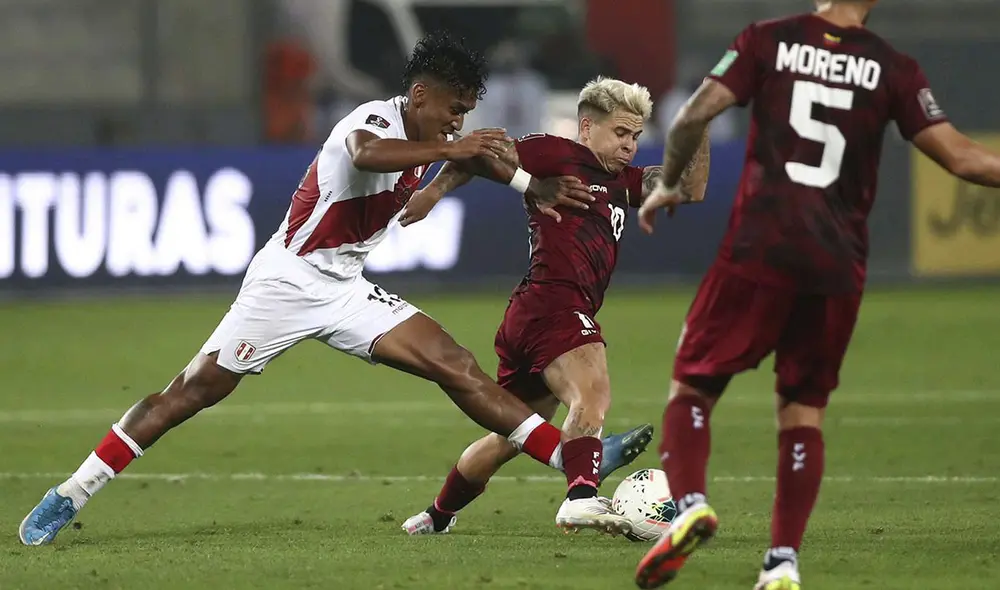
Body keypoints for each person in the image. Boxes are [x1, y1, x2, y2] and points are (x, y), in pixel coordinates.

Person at [17, 31, 632, 546]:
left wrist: (530, 186)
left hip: (344, 287)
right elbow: (367, 155)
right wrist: (451, 146)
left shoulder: (432, 134)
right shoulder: (371, 122)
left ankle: (571, 461)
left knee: (457, 366)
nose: (459, 119)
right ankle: (71, 492)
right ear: (420, 94)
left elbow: (478, 158)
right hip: (285, 282)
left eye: (467, 110)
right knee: (187, 395)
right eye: (452, 106)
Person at [632, 2, 1000, 589]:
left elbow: (689, 118)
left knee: (693, 382)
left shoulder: (767, 41)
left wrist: (670, 183)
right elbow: (963, 157)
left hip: (761, 245)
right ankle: (782, 562)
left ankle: (693, 502)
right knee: (802, 411)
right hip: (837, 263)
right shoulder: (893, 68)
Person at [397, 76, 706, 536]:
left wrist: (699, 122)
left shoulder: (625, 182)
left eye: (637, 137)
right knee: (592, 395)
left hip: (534, 314)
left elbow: (691, 187)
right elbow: (477, 156)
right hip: (553, 304)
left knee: (512, 436)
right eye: (621, 134)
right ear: (586, 127)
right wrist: (431, 193)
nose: (630, 146)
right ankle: (580, 497)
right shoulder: (555, 154)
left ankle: (436, 516)